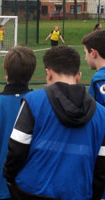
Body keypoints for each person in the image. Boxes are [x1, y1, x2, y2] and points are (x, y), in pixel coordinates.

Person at [3, 46, 105, 200]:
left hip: (31, 190)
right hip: (78, 193)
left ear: (48, 73)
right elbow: (101, 165)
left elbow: (17, 148)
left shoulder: (33, 101)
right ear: (78, 76)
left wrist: (9, 178)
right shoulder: (102, 113)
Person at [0, 46, 36, 200]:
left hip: (1, 181)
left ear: (6, 72)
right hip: (32, 180)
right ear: (31, 73)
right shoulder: (38, 101)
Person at [83, 29, 105, 199]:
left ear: (94, 53)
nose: (85, 58)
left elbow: (93, 117)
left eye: (85, 53)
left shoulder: (98, 80)